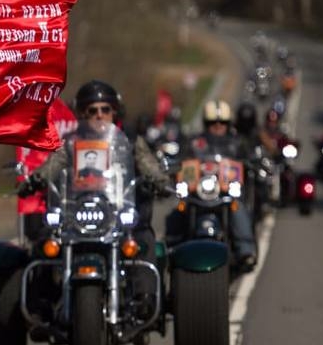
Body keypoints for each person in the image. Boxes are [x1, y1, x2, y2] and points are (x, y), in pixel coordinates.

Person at [18, 79, 172, 245]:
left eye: (105, 109)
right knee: (45, 243)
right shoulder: (71, 142)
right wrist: (35, 179)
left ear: (114, 112)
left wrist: (161, 181)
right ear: (83, 115)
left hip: (120, 213)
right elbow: (54, 164)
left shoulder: (130, 141)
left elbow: (148, 164)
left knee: (143, 242)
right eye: (92, 111)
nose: (99, 115)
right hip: (77, 212)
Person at [168, 99, 259, 271]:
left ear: (228, 123)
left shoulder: (238, 142)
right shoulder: (194, 142)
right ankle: (172, 246)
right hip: (198, 193)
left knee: (237, 208)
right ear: (205, 123)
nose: (218, 126)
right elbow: (182, 161)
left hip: (225, 193)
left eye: (222, 122)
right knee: (179, 209)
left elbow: (249, 159)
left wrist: (252, 163)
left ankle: (246, 251)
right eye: (213, 123)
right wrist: (176, 167)